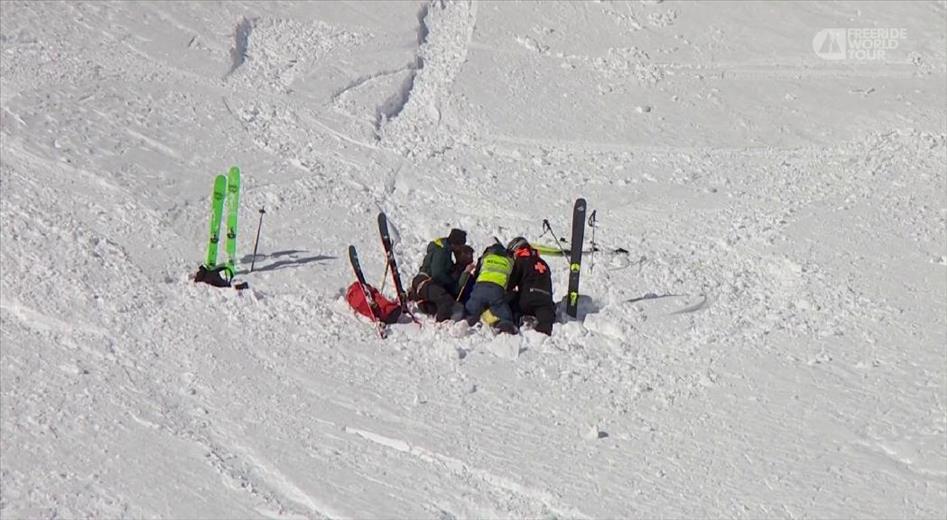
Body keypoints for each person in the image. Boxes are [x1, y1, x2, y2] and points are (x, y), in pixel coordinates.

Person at [409, 228, 467, 321]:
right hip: (426, 282)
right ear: (456, 244)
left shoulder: (445, 250)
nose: (461, 249)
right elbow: (437, 274)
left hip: (424, 282)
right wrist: (451, 281)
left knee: (434, 307)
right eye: (461, 246)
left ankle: (416, 296)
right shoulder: (442, 252)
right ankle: (441, 323)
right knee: (447, 300)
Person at [463, 243, 517, 334]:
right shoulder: (510, 261)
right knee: (502, 310)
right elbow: (513, 280)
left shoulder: (485, 257)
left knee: (471, 308)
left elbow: (477, 274)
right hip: (497, 289)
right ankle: (504, 326)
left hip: (480, 287)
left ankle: (466, 320)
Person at [506, 236, 555, 335]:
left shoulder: (520, 261)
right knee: (545, 321)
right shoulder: (543, 263)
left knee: (511, 300)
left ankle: (518, 321)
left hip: (527, 298)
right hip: (545, 300)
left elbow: (510, 284)